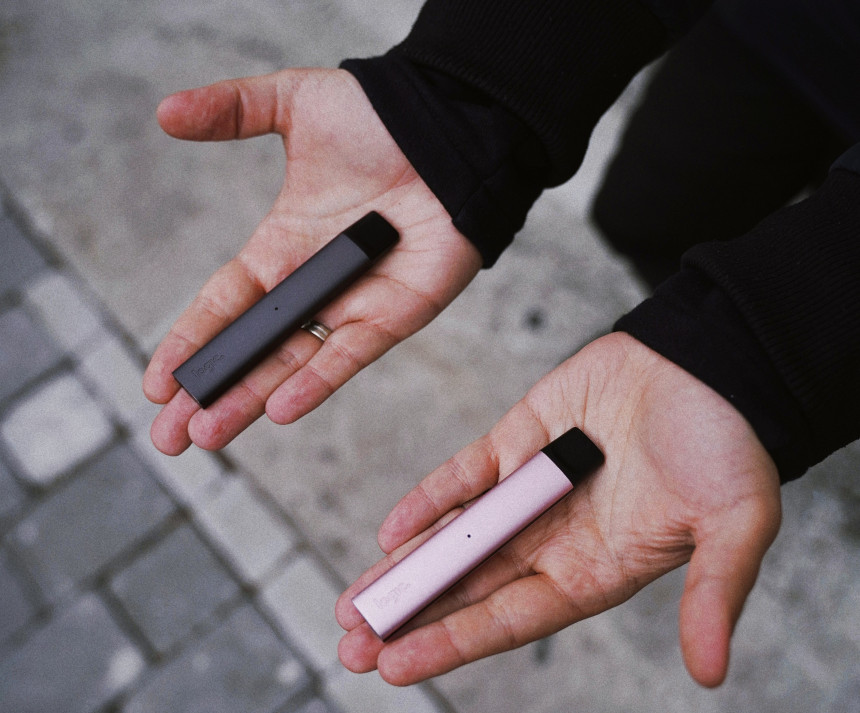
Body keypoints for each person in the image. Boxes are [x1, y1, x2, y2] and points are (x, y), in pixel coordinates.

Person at [142, 0, 860, 688]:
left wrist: (770, 351)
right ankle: (694, 292)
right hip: (784, 24)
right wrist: (459, 99)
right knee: (644, 214)